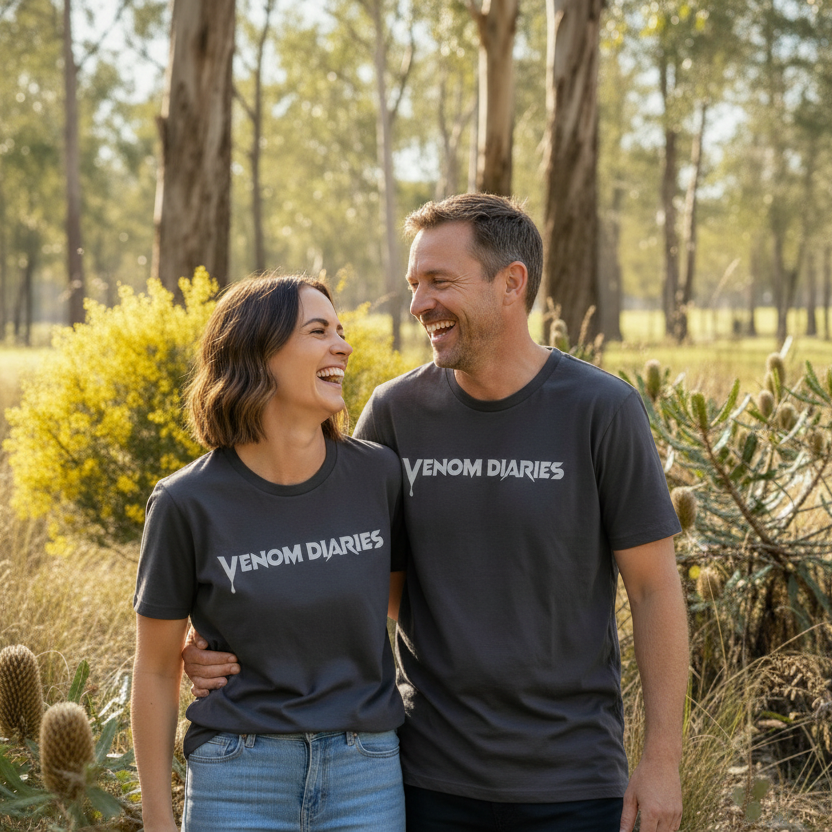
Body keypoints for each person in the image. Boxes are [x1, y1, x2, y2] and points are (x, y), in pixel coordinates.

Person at [184, 195, 689, 832]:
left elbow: (653, 589)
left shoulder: (601, 408)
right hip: (423, 775)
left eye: (440, 281)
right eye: (415, 284)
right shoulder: (396, 412)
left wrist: (662, 760)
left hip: (574, 776)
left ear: (512, 283)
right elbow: (323, 559)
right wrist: (212, 638)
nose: (420, 302)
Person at [131, 274, 408, 832]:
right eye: (318, 330)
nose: (343, 346)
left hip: (367, 774)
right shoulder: (186, 501)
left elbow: (401, 610)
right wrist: (158, 821)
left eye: (341, 330)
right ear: (259, 352)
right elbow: (155, 670)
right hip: (238, 774)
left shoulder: (378, 474)